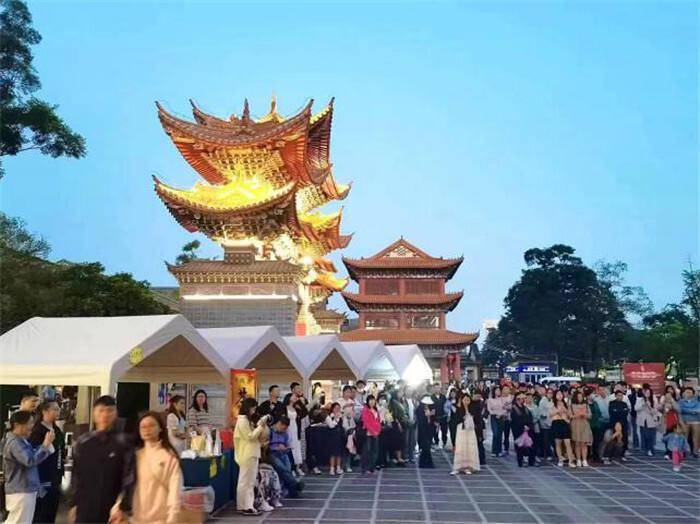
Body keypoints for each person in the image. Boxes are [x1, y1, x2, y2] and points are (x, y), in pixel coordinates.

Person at [68, 395, 135, 524]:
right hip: (85, 508)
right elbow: (76, 476)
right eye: (101, 410)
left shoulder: (124, 442)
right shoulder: (83, 442)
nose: (105, 415)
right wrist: (73, 503)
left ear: (116, 413)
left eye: (110, 411)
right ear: (94, 413)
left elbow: (129, 478)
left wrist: (123, 506)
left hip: (113, 510)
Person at [2, 410, 55, 524]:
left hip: (24, 489)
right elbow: (30, 460)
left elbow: (32, 456)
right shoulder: (14, 443)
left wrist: (45, 447)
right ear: (17, 425)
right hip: (20, 490)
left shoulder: (20, 440)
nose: (32, 426)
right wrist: (45, 445)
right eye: (29, 423)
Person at [131, 412, 183, 523]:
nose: (147, 429)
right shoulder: (135, 457)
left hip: (161, 520)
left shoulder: (168, 457)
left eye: (151, 425)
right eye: (143, 427)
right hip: (135, 519)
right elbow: (126, 487)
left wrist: (173, 516)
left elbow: (175, 490)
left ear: (160, 428)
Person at [28, 400, 65, 524]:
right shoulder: (37, 431)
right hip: (42, 478)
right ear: (45, 411)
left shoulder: (56, 429)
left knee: (52, 511)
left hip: (56, 476)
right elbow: (33, 457)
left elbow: (61, 449)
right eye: (55, 409)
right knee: (41, 513)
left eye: (58, 409)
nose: (58, 411)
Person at [234, 398, 269, 516]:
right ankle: (247, 506)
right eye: (253, 408)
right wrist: (261, 426)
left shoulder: (244, 420)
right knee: (248, 481)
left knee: (245, 481)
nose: (254, 411)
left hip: (249, 452)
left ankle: (242, 505)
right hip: (248, 453)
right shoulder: (243, 420)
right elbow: (250, 436)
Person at [267, 416, 303, 498]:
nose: (284, 430)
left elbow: (287, 444)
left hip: (283, 453)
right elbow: (265, 446)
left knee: (288, 469)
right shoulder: (270, 432)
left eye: (285, 429)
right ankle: (295, 485)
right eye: (283, 428)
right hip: (273, 453)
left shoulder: (285, 434)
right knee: (283, 469)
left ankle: (292, 490)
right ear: (279, 424)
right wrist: (276, 447)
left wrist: (286, 447)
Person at [451, 394, 480, 475]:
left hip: (470, 430)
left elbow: (476, 419)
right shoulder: (458, 408)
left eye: (468, 399)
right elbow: (455, 419)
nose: (466, 401)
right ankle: (458, 467)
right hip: (461, 429)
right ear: (461, 400)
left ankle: (468, 467)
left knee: (469, 447)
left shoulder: (473, 408)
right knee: (460, 446)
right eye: (464, 399)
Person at [550, 390, 576, 468]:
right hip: (556, 423)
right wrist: (557, 411)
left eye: (561, 394)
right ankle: (560, 459)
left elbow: (570, 415)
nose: (560, 395)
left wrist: (565, 410)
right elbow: (550, 414)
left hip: (564, 423)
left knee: (567, 442)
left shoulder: (566, 404)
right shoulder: (552, 404)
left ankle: (570, 461)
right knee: (558, 443)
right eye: (558, 394)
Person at [511, 393, 536, 468]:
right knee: (520, 446)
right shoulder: (514, 409)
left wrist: (529, 426)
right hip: (518, 430)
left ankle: (531, 461)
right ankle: (521, 462)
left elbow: (530, 418)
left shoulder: (525, 408)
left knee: (531, 445)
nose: (523, 400)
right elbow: (515, 420)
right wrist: (523, 426)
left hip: (528, 429)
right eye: (521, 399)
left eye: (523, 398)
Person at [570, 390, 592, 467]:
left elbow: (590, 415)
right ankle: (578, 459)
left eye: (581, 397)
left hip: (584, 424)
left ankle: (584, 460)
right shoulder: (572, 405)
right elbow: (570, 415)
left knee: (584, 443)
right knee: (577, 443)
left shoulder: (586, 405)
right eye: (578, 397)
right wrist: (577, 415)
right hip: (575, 424)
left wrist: (585, 414)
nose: (580, 398)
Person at [636, 386, 661, 456]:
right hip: (643, 420)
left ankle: (650, 448)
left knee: (651, 436)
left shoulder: (654, 400)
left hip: (651, 420)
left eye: (648, 393)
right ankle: (644, 449)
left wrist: (650, 406)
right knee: (644, 435)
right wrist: (643, 405)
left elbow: (655, 412)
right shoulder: (640, 400)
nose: (647, 394)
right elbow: (636, 408)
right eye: (646, 393)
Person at [360, 395, 381, 474]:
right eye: (370, 400)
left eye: (373, 400)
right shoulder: (365, 410)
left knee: (374, 451)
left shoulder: (375, 409)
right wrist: (373, 431)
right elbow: (366, 422)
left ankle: (372, 468)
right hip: (368, 433)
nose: (372, 402)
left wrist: (378, 430)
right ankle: (365, 468)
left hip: (376, 433)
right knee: (367, 451)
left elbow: (378, 420)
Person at [608, 389, 631, 460]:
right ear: (615, 396)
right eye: (618, 395)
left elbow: (625, 413)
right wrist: (619, 412)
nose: (620, 397)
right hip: (614, 423)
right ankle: (611, 454)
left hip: (623, 423)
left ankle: (622, 454)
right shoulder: (611, 403)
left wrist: (618, 412)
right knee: (614, 439)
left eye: (621, 396)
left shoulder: (624, 404)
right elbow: (612, 412)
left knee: (624, 438)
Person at [678, 387, 700, 457]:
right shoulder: (681, 401)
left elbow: (698, 409)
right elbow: (681, 409)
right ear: (684, 393)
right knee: (684, 437)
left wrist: (687, 410)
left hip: (696, 421)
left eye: (689, 392)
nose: (687, 393)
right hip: (685, 421)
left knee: (696, 438)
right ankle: (682, 452)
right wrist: (692, 411)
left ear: (693, 394)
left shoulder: (697, 402)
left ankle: (695, 452)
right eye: (686, 392)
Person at [659, 387, 680, 459]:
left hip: (673, 421)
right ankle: (668, 451)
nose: (668, 396)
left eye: (669, 395)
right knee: (666, 437)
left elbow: (678, 409)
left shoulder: (674, 401)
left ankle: (671, 452)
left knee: (673, 437)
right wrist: (663, 404)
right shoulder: (663, 401)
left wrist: (672, 402)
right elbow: (659, 409)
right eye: (667, 395)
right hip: (665, 421)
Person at [325, 403, 345, 475]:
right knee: (333, 453)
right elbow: (331, 426)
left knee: (339, 453)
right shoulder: (329, 417)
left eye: (339, 408)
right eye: (336, 408)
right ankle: (332, 468)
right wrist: (336, 419)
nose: (337, 409)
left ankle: (338, 468)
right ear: (332, 409)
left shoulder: (341, 416)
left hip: (339, 436)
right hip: (332, 437)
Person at [416, 396, 435, 468]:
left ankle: (427, 463)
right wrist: (426, 415)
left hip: (429, 429)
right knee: (425, 447)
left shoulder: (430, 408)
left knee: (427, 447)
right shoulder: (419, 409)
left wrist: (431, 415)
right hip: (423, 430)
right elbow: (420, 419)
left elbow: (432, 418)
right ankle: (424, 463)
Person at [487, 386, 505, 457]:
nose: (498, 392)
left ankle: (499, 450)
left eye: (499, 390)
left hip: (501, 417)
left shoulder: (502, 399)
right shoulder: (490, 400)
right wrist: (495, 413)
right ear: (494, 391)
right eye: (497, 390)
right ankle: (494, 451)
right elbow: (489, 409)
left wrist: (501, 414)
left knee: (500, 434)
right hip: (494, 417)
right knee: (495, 433)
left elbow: (505, 409)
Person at [400, 388, 417, 464]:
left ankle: (411, 456)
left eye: (410, 391)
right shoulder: (402, 401)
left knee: (412, 441)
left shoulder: (413, 401)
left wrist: (414, 419)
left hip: (413, 423)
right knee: (405, 441)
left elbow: (415, 411)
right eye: (407, 391)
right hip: (406, 423)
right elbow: (403, 412)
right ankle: (405, 456)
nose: (409, 392)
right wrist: (407, 420)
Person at [537, 388, 554, 461]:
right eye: (549, 393)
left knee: (550, 439)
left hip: (552, 422)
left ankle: (549, 453)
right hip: (544, 423)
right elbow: (540, 412)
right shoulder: (542, 401)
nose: (550, 394)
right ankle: (548, 453)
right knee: (545, 439)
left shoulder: (552, 400)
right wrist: (546, 416)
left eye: (551, 393)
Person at [501, 385, 514, 456]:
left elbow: (512, 407)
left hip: (508, 418)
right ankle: (499, 448)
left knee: (507, 434)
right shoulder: (499, 398)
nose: (506, 390)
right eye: (504, 389)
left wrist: (507, 407)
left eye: (507, 389)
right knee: (499, 434)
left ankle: (506, 448)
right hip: (500, 417)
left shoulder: (511, 397)